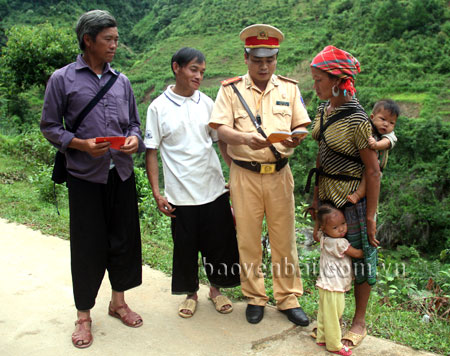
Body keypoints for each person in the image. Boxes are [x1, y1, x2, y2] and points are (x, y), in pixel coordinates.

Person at [40, 10, 144, 349]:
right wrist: (80, 144)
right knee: (87, 247)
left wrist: (133, 140)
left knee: (123, 241)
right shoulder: (63, 79)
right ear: (88, 40)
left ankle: (118, 302)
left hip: (121, 173)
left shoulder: (123, 81)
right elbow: (50, 127)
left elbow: (133, 125)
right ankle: (84, 316)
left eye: (116, 38)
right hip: (85, 177)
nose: (115, 45)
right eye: (108, 40)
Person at [209, 24, 311, 326]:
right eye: (257, 59)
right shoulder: (229, 90)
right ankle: (255, 297)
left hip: (280, 174)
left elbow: (301, 124)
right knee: (249, 239)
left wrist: (297, 136)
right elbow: (219, 128)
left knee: (284, 239)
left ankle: (288, 298)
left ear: (276, 59)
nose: (264, 65)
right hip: (244, 174)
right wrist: (243, 139)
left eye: (270, 59)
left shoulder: (289, 88)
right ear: (246, 58)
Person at [144, 47, 240, 319]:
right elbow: (151, 150)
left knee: (218, 243)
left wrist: (233, 173)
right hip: (180, 194)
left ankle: (216, 289)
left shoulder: (207, 103)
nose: (198, 76)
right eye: (193, 70)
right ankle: (190, 294)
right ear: (177, 68)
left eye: (202, 72)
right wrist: (156, 192)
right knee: (185, 248)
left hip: (212, 189)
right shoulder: (158, 107)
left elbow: (219, 140)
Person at [308, 45, 381, 349]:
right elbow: (321, 156)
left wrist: (370, 216)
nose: (315, 86)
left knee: (361, 260)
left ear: (338, 80)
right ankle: (331, 320)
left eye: (319, 80)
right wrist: (315, 199)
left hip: (352, 198)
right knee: (333, 261)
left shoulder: (357, 119)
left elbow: (373, 171)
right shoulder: (325, 109)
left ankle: (359, 322)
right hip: (327, 196)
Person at [315, 205, 364, 356]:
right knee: (334, 315)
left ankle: (322, 337)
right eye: (335, 227)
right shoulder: (340, 243)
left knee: (325, 312)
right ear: (325, 228)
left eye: (343, 223)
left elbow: (317, 233)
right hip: (334, 286)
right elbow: (356, 253)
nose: (342, 229)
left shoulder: (322, 238)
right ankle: (334, 345)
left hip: (325, 284)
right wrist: (367, 249)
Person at [347, 99, 400, 204]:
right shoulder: (367, 128)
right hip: (361, 164)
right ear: (372, 117)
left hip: (376, 167)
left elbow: (387, 142)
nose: (386, 124)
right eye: (383, 119)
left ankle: (357, 195)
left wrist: (376, 145)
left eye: (391, 122)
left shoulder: (390, 135)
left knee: (368, 176)